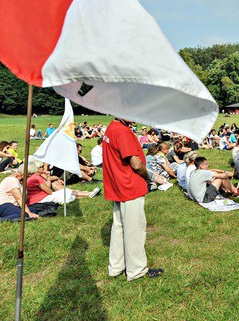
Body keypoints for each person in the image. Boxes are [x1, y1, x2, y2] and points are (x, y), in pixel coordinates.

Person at [103, 117, 163, 281]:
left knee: (119, 228)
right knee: (134, 230)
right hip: (129, 186)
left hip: (118, 185)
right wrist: (148, 177)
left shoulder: (112, 127)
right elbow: (136, 164)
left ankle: (116, 267)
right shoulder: (123, 132)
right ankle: (137, 270)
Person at [26, 161, 99, 206]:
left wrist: (51, 178)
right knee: (65, 194)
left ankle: (88, 194)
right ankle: (88, 194)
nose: (43, 168)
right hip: (40, 199)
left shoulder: (34, 177)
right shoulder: (36, 178)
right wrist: (48, 178)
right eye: (41, 167)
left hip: (37, 198)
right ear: (36, 169)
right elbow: (49, 191)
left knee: (65, 193)